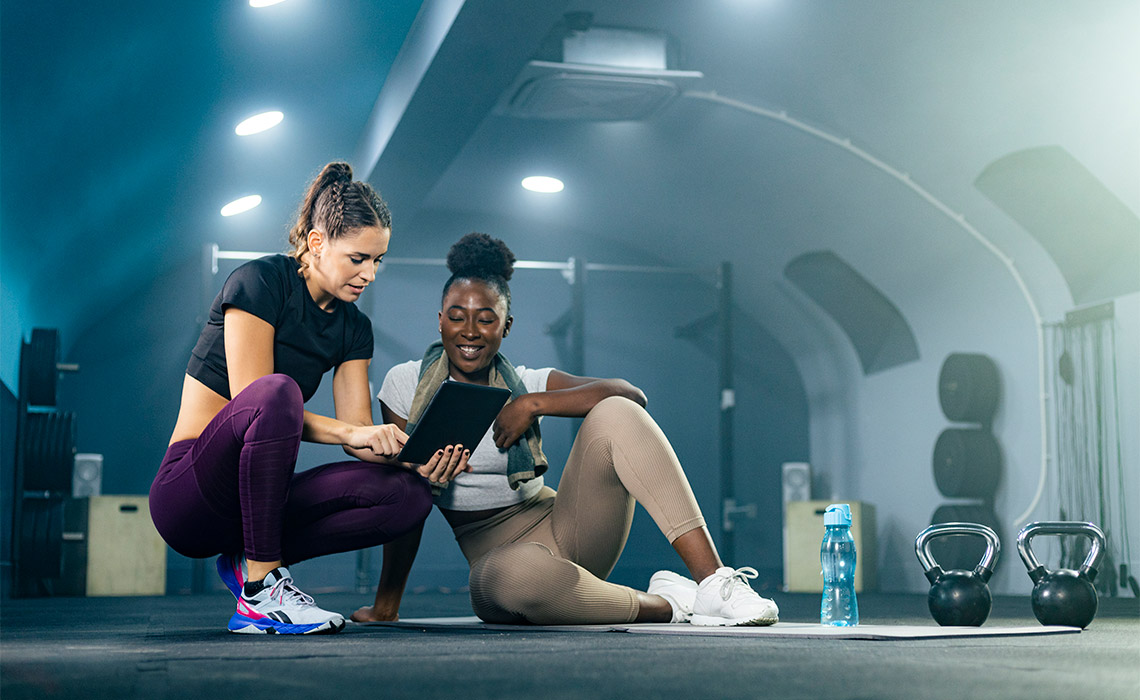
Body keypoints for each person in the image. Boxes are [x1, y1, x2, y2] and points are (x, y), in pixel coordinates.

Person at [351, 232, 779, 626]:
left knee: (614, 411)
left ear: (506, 326)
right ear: (440, 320)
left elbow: (630, 394)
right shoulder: (405, 384)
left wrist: (532, 403)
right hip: (498, 561)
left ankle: (713, 582)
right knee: (516, 578)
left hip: (569, 528)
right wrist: (387, 603)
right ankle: (672, 604)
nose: (470, 331)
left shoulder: (528, 382)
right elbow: (403, 501)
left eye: (485, 319)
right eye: (458, 317)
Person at [149, 162, 466, 635]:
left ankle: (248, 559)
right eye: (358, 258)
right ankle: (261, 590)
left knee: (408, 498)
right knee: (277, 391)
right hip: (191, 495)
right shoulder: (259, 282)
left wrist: (411, 458)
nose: (370, 274)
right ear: (316, 243)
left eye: (378, 260)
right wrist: (353, 431)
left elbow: (356, 436)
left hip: (255, 507)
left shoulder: (354, 328)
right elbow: (253, 400)